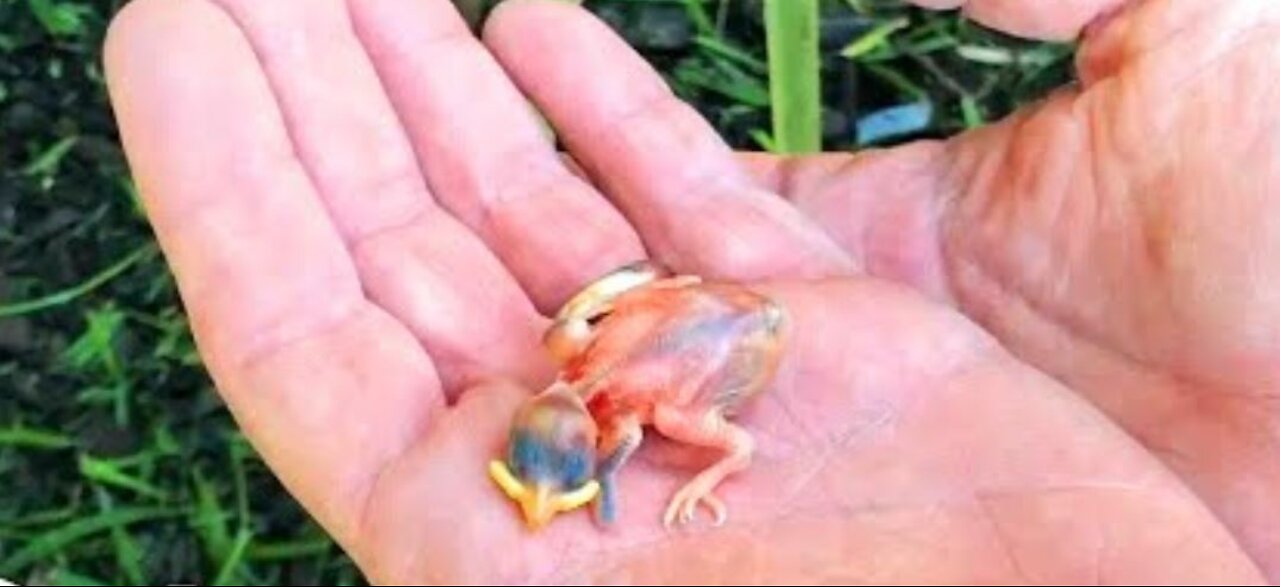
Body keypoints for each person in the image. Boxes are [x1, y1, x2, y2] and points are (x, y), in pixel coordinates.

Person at [101, 0, 1279, 583]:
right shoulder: (584, 376)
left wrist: (706, 471)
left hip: (721, 327)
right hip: (691, 315)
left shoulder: (643, 407)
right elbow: (616, 331)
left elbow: (724, 423)